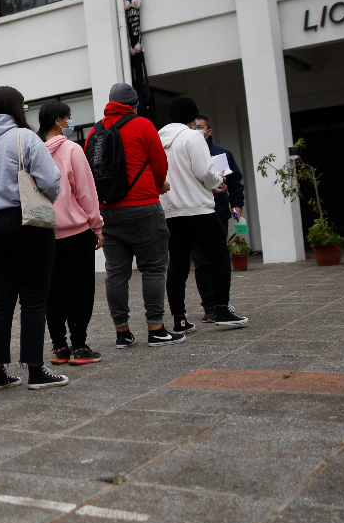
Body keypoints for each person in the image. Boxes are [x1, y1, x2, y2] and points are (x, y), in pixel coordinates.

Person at [0, 86, 68, 391]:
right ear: (15, 108)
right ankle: (35, 370)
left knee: (1, 298)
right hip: (28, 224)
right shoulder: (25, 137)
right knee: (34, 300)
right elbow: (51, 181)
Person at [85, 83, 184, 348]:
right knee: (152, 268)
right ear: (133, 104)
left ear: (110, 103)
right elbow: (159, 164)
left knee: (116, 273)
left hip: (107, 211)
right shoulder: (143, 125)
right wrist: (159, 184)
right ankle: (156, 328)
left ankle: (122, 333)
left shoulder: (95, 131)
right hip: (143, 208)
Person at [158, 98, 249, 329]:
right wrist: (217, 181)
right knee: (218, 256)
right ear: (192, 117)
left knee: (178, 263)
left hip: (171, 210)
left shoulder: (159, 138)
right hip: (198, 208)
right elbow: (203, 171)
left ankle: (179, 319)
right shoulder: (192, 137)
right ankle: (221, 310)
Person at [37, 100, 104, 366]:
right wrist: (97, 225)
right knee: (80, 290)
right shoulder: (73, 150)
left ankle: (59, 347)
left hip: (45, 234)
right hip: (76, 233)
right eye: (68, 118)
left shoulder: (33, 152)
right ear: (58, 121)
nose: (70, 122)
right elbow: (86, 191)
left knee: (52, 292)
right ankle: (79, 345)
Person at [192, 114, 245, 322]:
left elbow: (235, 182)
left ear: (209, 131)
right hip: (196, 213)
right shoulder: (189, 153)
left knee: (218, 258)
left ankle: (222, 302)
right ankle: (209, 306)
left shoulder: (222, 153)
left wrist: (237, 204)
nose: (198, 131)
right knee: (201, 260)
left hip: (219, 212)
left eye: (201, 127)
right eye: (195, 127)